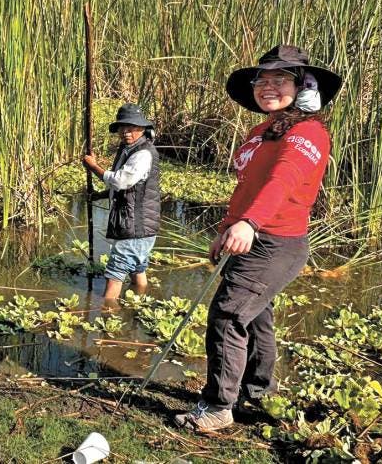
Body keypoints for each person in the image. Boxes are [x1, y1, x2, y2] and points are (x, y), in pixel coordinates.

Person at [174, 45, 342, 432]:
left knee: (229, 315)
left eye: (280, 79)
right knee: (256, 317)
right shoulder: (262, 131)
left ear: (302, 86)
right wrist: (227, 228)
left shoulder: (309, 133)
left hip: (276, 244)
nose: (268, 86)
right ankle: (259, 391)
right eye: (261, 79)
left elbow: (283, 181)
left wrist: (250, 223)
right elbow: (247, 186)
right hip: (250, 238)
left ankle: (218, 406)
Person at [82, 104, 161, 305]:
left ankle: (108, 314)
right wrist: (100, 195)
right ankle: (138, 306)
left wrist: (93, 167)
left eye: (132, 127)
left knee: (115, 273)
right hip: (140, 226)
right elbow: (128, 188)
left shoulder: (143, 154)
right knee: (137, 268)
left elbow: (120, 181)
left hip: (136, 226)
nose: (126, 132)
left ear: (142, 128)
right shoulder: (128, 149)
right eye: (122, 127)